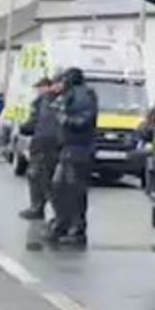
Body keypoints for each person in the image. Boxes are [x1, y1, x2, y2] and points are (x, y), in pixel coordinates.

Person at [49, 68, 98, 249]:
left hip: (79, 148)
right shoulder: (71, 95)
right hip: (70, 148)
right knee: (60, 187)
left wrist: (64, 119)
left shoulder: (83, 95)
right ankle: (62, 224)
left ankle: (75, 229)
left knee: (73, 190)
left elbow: (83, 121)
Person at [20, 76, 62, 236]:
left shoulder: (55, 101)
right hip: (40, 142)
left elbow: (47, 123)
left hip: (49, 143)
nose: (39, 90)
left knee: (44, 177)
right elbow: (35, 121)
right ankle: (36, 206)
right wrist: (26, 127)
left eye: (41, 87)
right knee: (35, 175)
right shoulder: (42, 101)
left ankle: (45, 209)